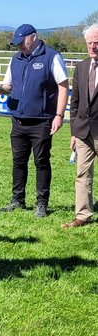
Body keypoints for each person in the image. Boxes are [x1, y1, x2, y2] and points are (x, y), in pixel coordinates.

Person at [0, 23, 69, 217]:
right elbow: (8, 84)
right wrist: (1, 88)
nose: (19, 46)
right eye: (16, 43)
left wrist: (59, 115)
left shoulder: (51, 56)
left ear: (34, 37)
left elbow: (64, 86)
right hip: (18, 120)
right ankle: (17, 200)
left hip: (42, 121)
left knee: (41, 162)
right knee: (18, 161)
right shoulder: (16, 58)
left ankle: (41, 203)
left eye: (22, 42)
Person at [61, 24, 98, 228]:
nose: (93, 46)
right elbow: (74, 103)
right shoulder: (81, 67)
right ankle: (82, 215)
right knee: (82, 175)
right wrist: (74, 132)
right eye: (89, 43)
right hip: (83, 132)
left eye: (97, 43)